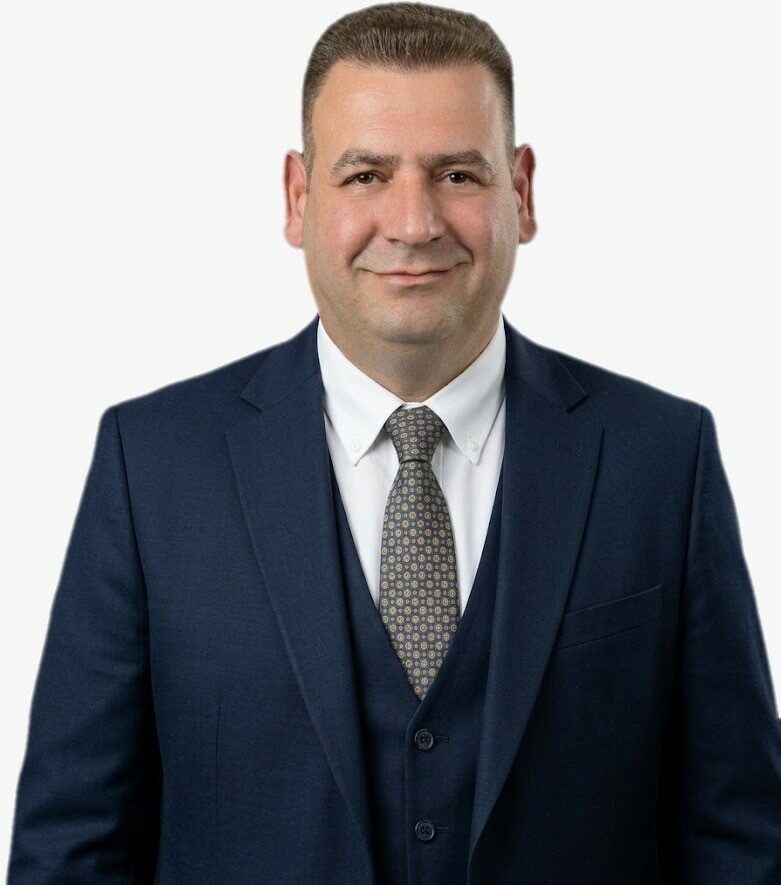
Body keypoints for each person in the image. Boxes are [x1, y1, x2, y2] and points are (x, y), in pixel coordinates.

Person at [7, 3, 781, 882]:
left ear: (520, 193)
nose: (413, 223)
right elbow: (71, 849)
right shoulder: (151, 465)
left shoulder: (661, 459)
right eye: (366, 175)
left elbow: (740, 842)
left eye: (456, 174)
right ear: (298, 198)